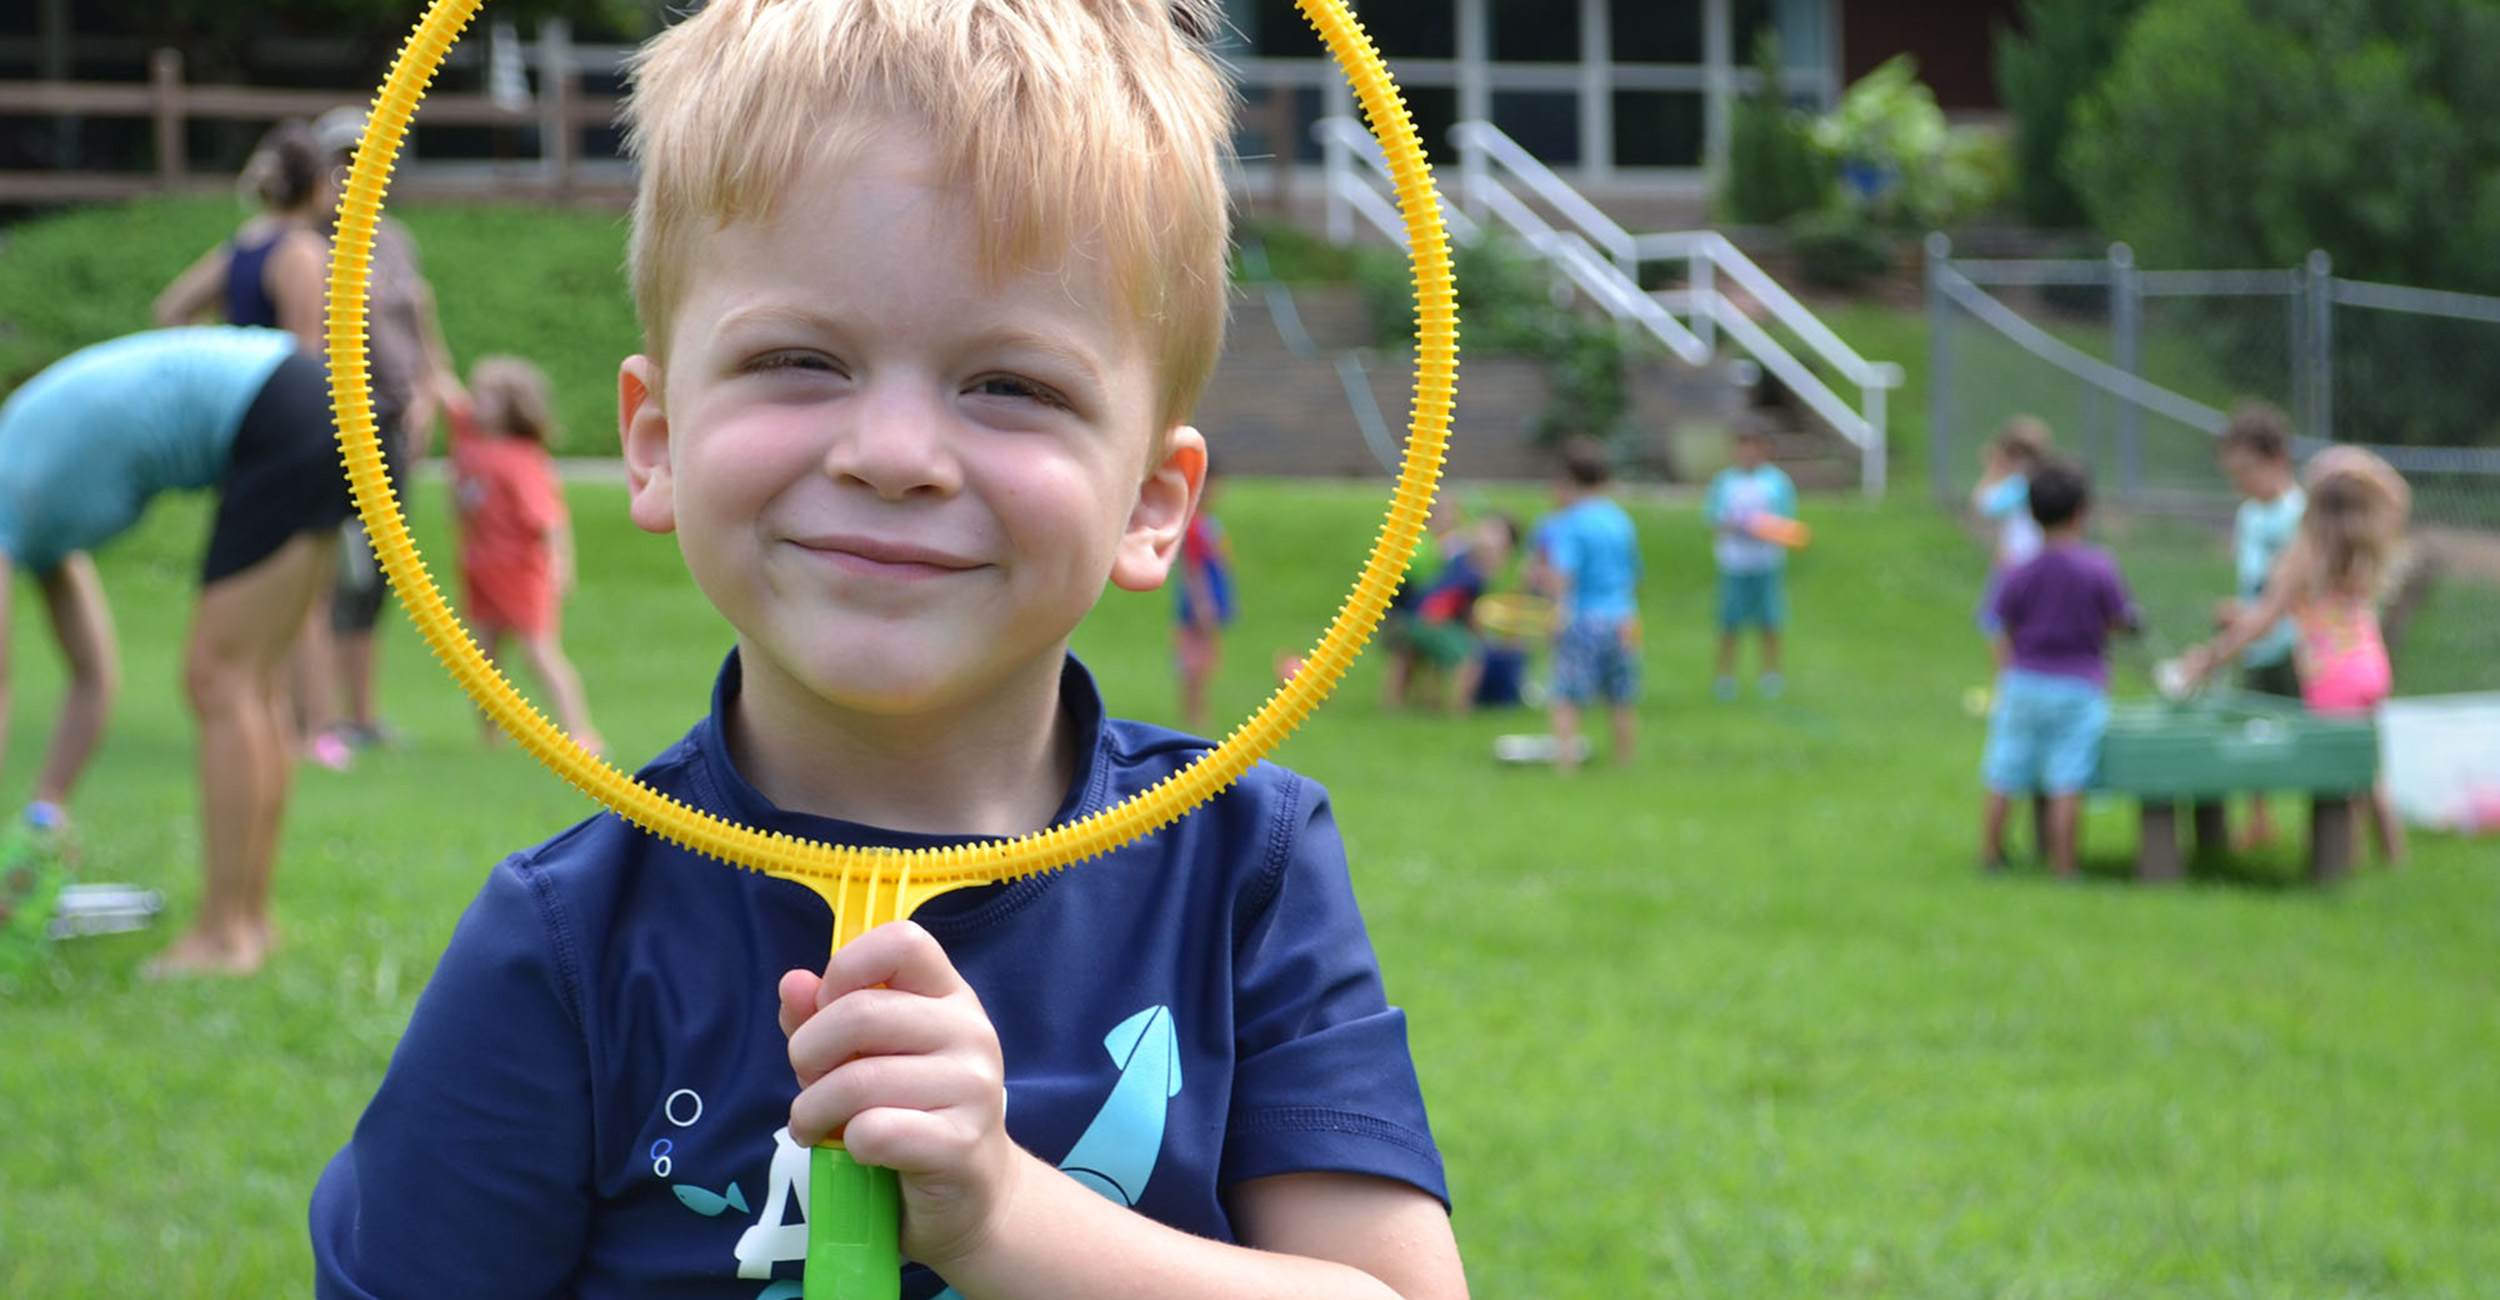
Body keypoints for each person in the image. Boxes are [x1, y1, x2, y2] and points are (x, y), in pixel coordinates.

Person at [310, 4, 1466, 1299]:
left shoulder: (1242, 874)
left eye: (1012, 386)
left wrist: (1005, 1219)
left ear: (1152, 502)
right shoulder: (570, 946)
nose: (895, 456)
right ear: (656, 442)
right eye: (800, 360)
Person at [0, 326, 352, 975]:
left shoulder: (9, 488)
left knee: (219, 680)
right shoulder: (27, 503)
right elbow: (92, 675)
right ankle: (249, 923)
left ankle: (222, 938)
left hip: (276, 411)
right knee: (255, 684)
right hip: (309, 402)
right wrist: (46, 807)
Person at [154, 119, 351, 771]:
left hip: (243, 431)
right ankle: (314, 729)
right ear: (319, 185)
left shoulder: (240, 249)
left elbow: (170, 310)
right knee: (306, 594)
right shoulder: (301, 251)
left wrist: (220, 363)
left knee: (257, 588)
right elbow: (308, 359)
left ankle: (269, 714)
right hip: (290, 433)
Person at [313, 106, 461, 753]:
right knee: (323, 568)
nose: (355, 171)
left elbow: (420, 313)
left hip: (397, 425)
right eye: (343, 160)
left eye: (364, 158)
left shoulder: (395, 238)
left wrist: (434, 386)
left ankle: (363, 714)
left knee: (376, 571)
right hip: (334, 426)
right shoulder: (308, 243)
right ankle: (314, 715)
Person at [2184, 445, 2410, 864]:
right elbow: (2397, 494)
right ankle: (2395, 857)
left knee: (2336, 782)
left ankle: (2340, 861)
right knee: (2367, 765)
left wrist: (2210, 657)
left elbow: (2261, 621)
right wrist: (2353, 462)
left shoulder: (2304, 556)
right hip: (2371, 669)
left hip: (2332, 678)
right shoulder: (2363, 543)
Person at [1979, 457, 2139, 878]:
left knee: (2004, 770)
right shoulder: (2099, 565)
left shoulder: (2018, 569)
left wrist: (2006, 668)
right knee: (2068, 779)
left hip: (2024, 681)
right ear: (2081, 511)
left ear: (2030, 513)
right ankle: (2064, 866)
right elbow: (2119, 621)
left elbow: (1996, 623)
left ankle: (1991, 857)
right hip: (2079, 685)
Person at [446, 356, 603, 759]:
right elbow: (440, 383)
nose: (472, 400)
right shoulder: (470, 438)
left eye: (484, 395)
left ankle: (581, 733)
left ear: (511, 406)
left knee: (539, 652)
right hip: (480, 570)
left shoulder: (521, 459)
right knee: (482, 660)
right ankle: (491, 740)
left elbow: (550, 521)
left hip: (520, 572)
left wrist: (562, 567)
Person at [2212, 402, 2306, 847]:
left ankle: (2321, 826)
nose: (2241, 483)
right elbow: (2257, 585)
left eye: (2247, 471)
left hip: (2298, 646)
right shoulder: (2249, 514)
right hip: (2254, 642)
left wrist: (2253, 619)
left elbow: (2293, 593)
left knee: (2309, 732)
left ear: (2278, 459)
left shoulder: (2303, 515)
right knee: (2251, 729)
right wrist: (2239, 612)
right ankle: (2259, 820)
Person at [1538, 437, 1642, 771]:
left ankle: (1565, 765)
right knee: (1621, 697)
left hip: (1583, 620)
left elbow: (1562, 578)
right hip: (1623, 619)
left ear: (1568, 480)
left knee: (1566, 696)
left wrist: (1553, 616)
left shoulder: (1570, 523)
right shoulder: (1620, 520)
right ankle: (1625, 762)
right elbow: (1633, 575)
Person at [1384, 514, 1518, 715]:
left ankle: (1400, 705)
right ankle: (1460, 709)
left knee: (1413, 656)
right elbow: (1467, 609)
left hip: (1413, 614)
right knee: (1471, 662)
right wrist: (1477, 635)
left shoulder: (1459, 556)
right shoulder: (1476, 569)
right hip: (1432, 619)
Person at [1704, 418, 1798, 700]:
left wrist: (1764, 527)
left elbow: (1788, 526)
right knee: (1729, 622)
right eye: (1743, 447)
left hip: (1766, 562)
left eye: (1754, 447)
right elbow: (1712, 520)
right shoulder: (1724, 482)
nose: (1748, 453)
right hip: (1733, 562)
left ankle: (1771, 675)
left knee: (1770, 620)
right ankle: (1725, 677)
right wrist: (1734, 524)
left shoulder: (1777, 482)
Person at [1972, 416, 2054, 646]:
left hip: (2016, 561)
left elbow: (1985, 505)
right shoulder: (2045, 482)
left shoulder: (2020, 484)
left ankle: (2007, 678)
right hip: (2040, 560)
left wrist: (1992, 470)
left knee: (1998, 625)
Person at [1172, 458, 1233, 734]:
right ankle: (1195, 714)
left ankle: (1200, 711)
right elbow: (1193, 568)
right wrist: (1202, 603)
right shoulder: (1195, 525)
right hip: (1200, 603)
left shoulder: (1209, 522)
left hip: (1213, 598)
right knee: (1195, 659)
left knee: (1207, 659)